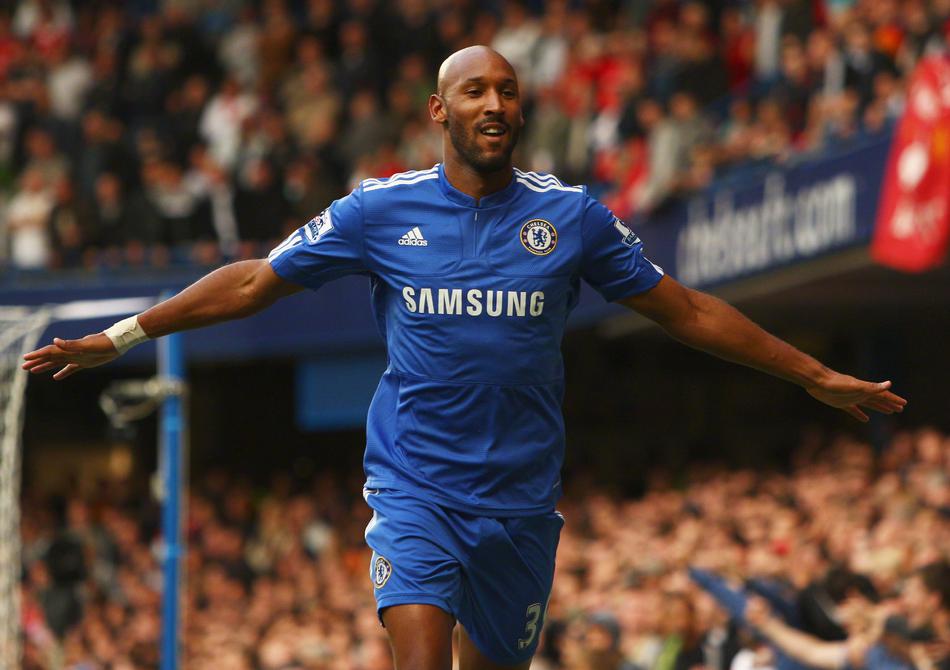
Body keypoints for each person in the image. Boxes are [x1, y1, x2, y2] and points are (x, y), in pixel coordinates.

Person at [23, 46, 907, 670]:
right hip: (416, 487)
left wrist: (813, 374)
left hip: (519, 501)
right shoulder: (378, 211)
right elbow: (256, 280)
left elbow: (687, 310)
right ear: (439, 110)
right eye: (475, 90)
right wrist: (125, 336)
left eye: (508, 92)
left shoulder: (574, 219)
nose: (495, 104)